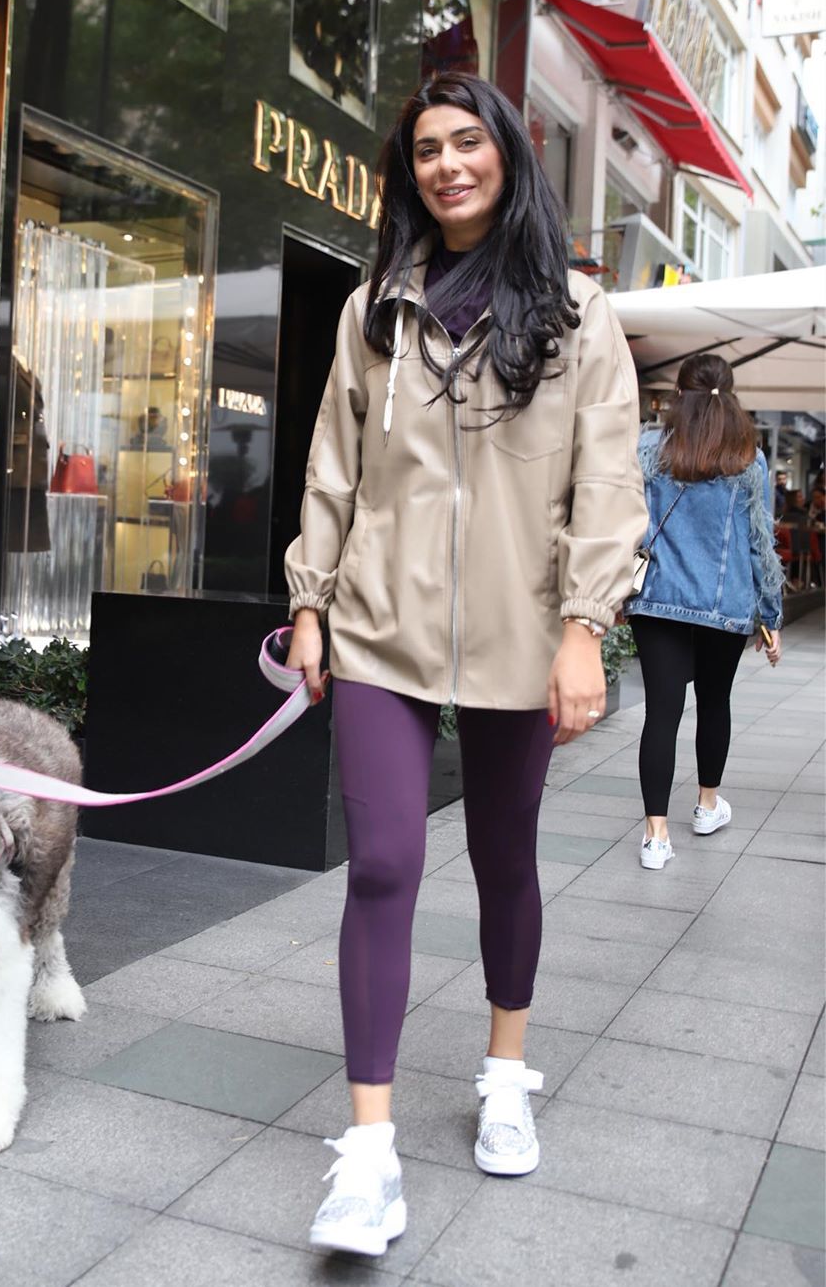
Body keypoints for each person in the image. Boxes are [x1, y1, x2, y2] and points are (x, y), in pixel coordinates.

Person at [283, 72, 648, 1258]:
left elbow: (608, 482)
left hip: (521, 630)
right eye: (426, 149)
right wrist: (310, 601)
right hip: (379, 625)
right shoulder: (374, 308)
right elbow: (332, 466)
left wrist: (585, 626)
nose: (446, 164)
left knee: (503, 856)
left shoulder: (581, 315)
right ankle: (368, 1157)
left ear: (507, 152)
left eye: (465, 142)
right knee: (384, 861)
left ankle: (504, 1073)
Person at [624, 353, 784, 871]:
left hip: (657, 601)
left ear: (678, 394)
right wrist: (770, 615)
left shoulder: (650, 449)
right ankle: (707, 806)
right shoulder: (748, 458)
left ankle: (655, 837)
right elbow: (759, 544)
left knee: (661, 714)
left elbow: (627, 521)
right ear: (729, 396)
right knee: (714, 703)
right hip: (724, 606)